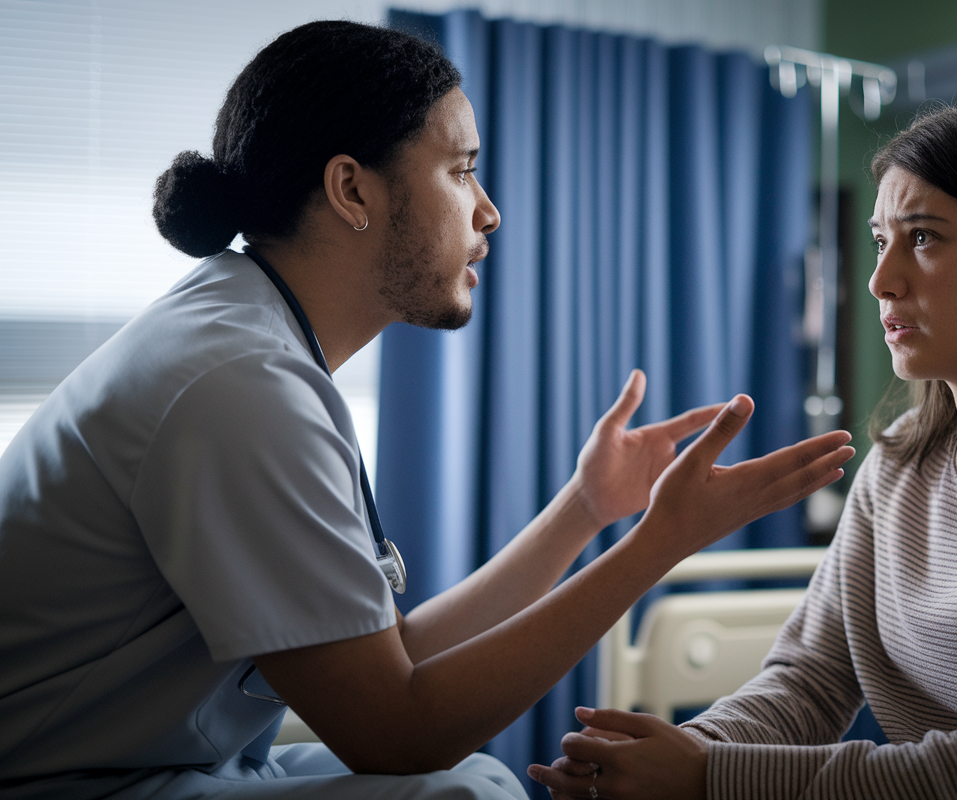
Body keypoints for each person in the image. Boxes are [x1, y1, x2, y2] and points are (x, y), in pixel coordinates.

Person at [0, 20, 855, 800]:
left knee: (472, 779)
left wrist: (585, 511)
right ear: (352, 190)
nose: (489, 212)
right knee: (462, 793)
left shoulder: (244, 338)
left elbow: (395, 658)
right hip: (60, 778)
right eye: (461, 169)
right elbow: (399, 731)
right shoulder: (238, 382)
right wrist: (657, 545)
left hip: (142, 761)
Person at [529, 99, 957, 800]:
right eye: (879, 240)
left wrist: (707, 776)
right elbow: (808, 682)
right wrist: (679, 750)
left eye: (923, 237)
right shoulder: (902, 463)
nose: (880, 281)